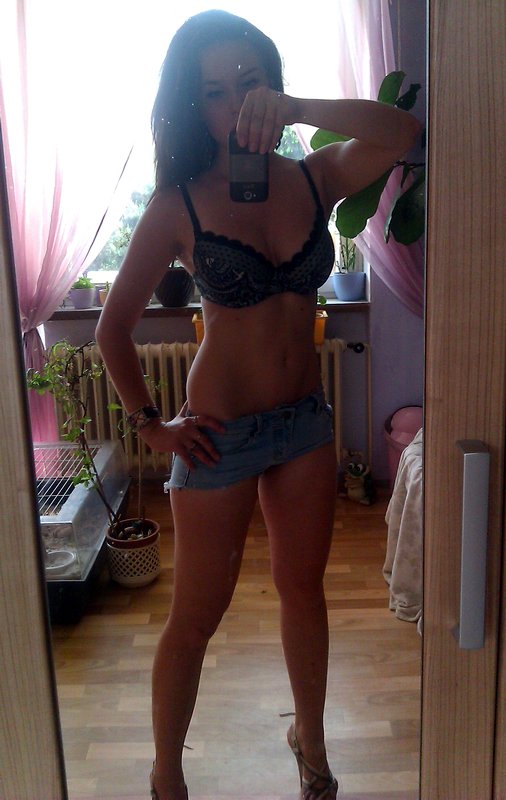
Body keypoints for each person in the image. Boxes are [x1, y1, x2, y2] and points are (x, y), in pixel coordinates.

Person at [96, 10, 420, 799]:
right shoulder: (178, 203)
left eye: (250, 81)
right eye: (214, 90)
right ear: (192, 104)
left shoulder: (314, 176)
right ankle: (166, 778)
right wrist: (150, 426)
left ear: (273, 83)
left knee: (304, 591)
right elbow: (113, 329)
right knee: (195, 618)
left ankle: (311, 742)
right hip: (218, 435)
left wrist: (299, 109)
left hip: (304, 423)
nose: (236, 102)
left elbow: (401, 132)